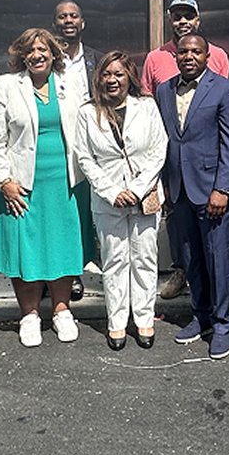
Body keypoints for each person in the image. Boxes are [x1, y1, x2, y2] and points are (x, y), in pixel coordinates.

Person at [0, 28, 88, 347]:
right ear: (22, 56)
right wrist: (3, 180)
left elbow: (87, 126)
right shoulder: (6, 84)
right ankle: (29, 315)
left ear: (54, 53)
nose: (37, 55)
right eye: (30, 50)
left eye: (43, 49)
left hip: (67, 180)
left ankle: (61, 310)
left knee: (63, 244)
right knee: (24, 248)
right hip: (21, 183)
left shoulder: (72, 83)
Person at [155, 34, 229, 359]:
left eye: (196, 51)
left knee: (218, 259)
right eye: (183, 52)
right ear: (175, 56)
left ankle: (222, 323)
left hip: (213, 191)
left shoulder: (225, 89)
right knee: (190, 257)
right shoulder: (164, 90)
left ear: (207, 56)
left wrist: (223, 188)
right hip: (179, 189)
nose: (189, 56)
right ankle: (201, 315)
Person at [73, 51, 168, 350]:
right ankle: (116, 322)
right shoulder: (88, 112)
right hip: (108, 199)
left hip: (144, 196)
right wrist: (112, 191)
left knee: (144, 259)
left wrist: (138, 189)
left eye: (119, 74)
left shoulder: (147, 106)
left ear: (129, 77)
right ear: (99, 78)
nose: (112, 80)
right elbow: (85, 158)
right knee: (114, 262)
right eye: (106, 74)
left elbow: (159, 149)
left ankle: (143, 318)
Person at [141, 0, 229, 300]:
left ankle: (218, 313)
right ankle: (185, 280)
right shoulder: (156, 59)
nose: (182, 21)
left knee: (213, 247)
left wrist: (224, 183)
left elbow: (227, 121)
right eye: (176, 16)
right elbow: (148, 111)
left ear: (198, 20)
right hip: (175, 170)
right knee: (183, 237)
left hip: (208, 171)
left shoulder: (218, 58)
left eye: (188, 16)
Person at [51, 0, 102, 301]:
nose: (68, 20)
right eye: (62, 17)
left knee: (85, 216)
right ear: (54, 23)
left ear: (82, 23)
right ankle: (62, 274)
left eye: (73, 16)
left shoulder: (96, 60)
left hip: (90, 151)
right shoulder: (45, 60)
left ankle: (79, 268)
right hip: (54, 151)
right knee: (60, 215)